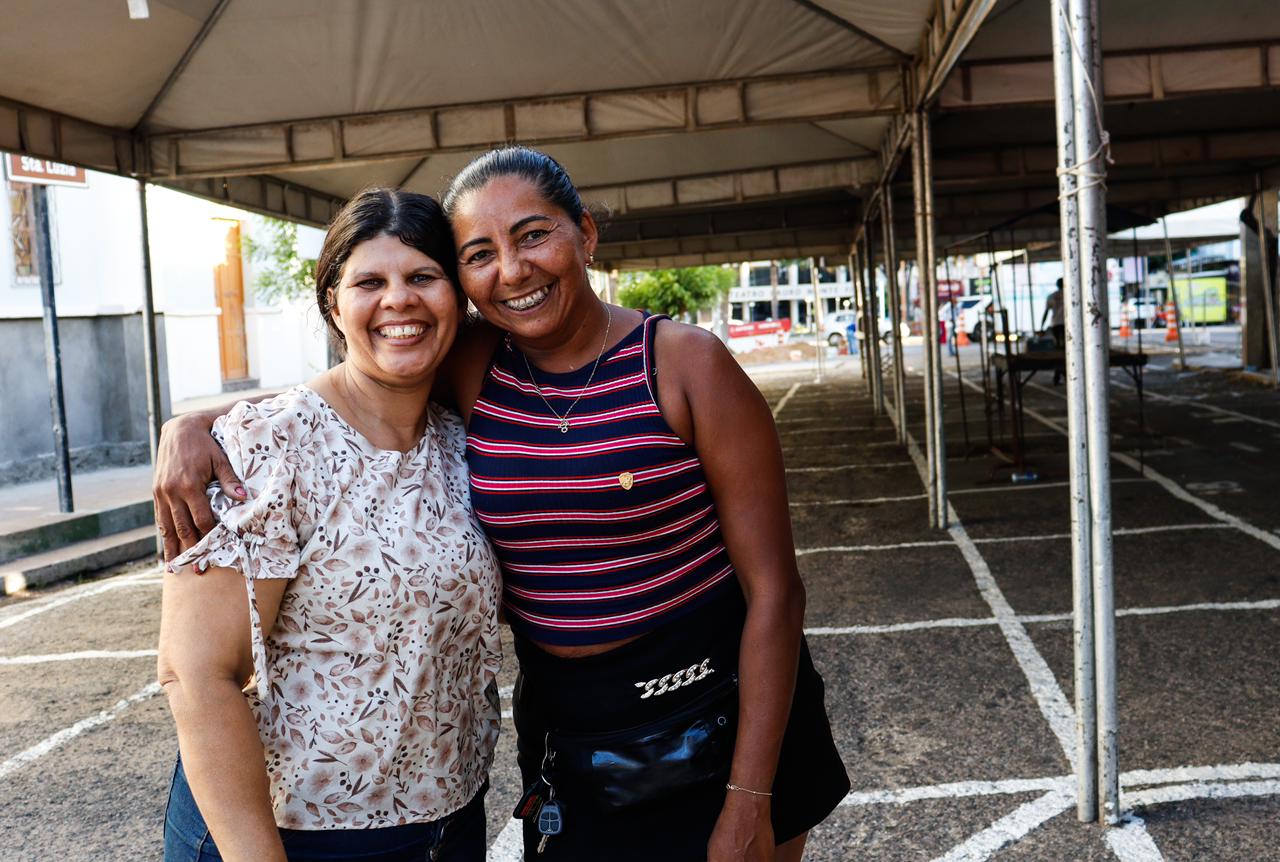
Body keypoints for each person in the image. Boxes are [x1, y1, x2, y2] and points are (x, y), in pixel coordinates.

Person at [156, 147, 849, 862]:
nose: (512, 270)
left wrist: (750, 797)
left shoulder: (685, 364)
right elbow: (356, 382)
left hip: (716, 707)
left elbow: (776, 592)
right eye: (480, 252)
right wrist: (199, 424)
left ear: (584, 232)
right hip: (573, 728)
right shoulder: (478, 367)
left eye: (532, 235)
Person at [157, 189, 502, 862]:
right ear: (333, 305)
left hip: (449, 822)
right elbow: (196, 675)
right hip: (292, 834)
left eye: (423, 277)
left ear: (455, 301)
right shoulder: (266, 446)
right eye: (369, 281)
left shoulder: (460, 437)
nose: (398, 300)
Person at [1040, 278, 1066, 383]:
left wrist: (1042, 326)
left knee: (1059, 349)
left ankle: (1058, 374)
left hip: (1055, 324)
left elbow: (1046, 312)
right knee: (1064, 349)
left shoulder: (1051, 296)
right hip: (1067, 325)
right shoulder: (1070, 294)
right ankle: (1061, 373)